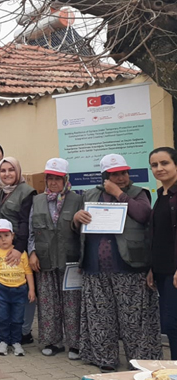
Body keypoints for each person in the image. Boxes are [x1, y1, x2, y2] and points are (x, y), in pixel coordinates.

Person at [73, 153, 162, 372]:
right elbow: (78, 227)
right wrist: (76, 219)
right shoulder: (90, 194)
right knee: (101, 318)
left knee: (134, 320)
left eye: (124, 172)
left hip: (129, 267)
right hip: (95, 268)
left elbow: (143, 215)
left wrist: (119, 194)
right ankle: (106, 360)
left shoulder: (138, 193)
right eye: (115, 174)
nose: (121, 177)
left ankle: (140, 361)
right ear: (105, 176)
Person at [28, 158, 81, 359]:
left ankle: (75, 344)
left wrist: (82, 260)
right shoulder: (37, 200)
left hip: (70, 261)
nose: (53, 183)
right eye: (49, 178)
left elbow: (83, 234)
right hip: (45, 260)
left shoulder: (77, 200)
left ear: (65, 179)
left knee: (72, 304)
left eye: (57, 179)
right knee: (48, 304)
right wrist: (32, 252)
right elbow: (32, 231)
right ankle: (52, 341)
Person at [0, 157, 38, 344]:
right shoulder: (0, 192)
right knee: (6, 287)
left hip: (17, 250)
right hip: (2, 248)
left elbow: (25, 223)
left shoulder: (27, 192)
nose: (7, 174)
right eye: (3, 170)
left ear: (18, 172)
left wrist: (19, 249)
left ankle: (24, 331)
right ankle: (9, 330)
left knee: (23, 290)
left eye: (11, 170)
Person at [0, 219, 35, 356]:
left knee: (17, 318)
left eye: (6, 236)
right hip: (1, 289)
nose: (3, 240)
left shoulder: (21, 253)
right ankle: (3, 341)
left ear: (13, 235)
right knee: (2, 317)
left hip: (20, 289)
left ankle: (16, 342)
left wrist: (31, 289)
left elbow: (28, 272)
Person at [147, 147, 177, 360]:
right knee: (170, 324)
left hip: (175, 271)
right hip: (162, 270)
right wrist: (151, 268)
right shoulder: (161, 195)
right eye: (154, 165)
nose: (159, 168)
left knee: (172, 323)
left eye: (164, 163)